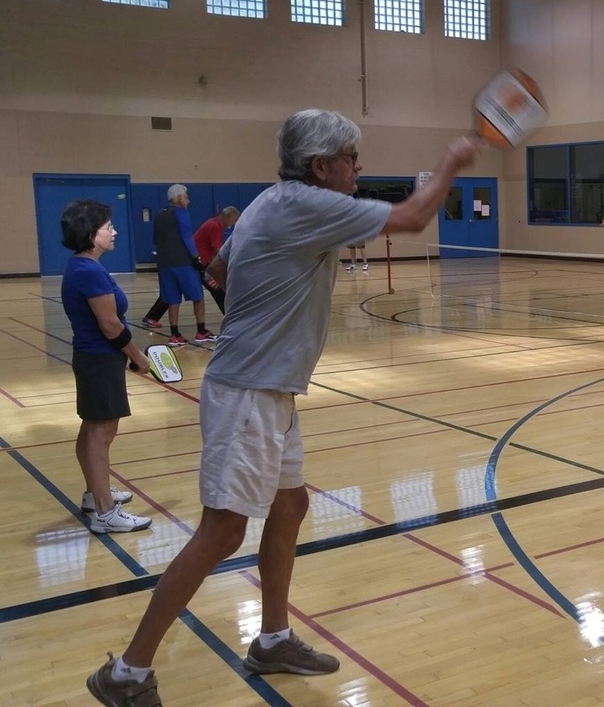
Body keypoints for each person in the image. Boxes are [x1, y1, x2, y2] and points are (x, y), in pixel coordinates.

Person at [87, 109, 478, 706]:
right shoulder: (307, 204)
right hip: (248, 391)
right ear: (321, 167)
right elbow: (416, 216)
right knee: (222, 531)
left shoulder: (270, 202)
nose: (359, 166)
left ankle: (272, 639)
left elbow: (218, 269)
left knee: (291, 505)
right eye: (351, 157)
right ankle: (128, 673)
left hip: (270, 388)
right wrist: (450, 162)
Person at [59, 199, 154, 534]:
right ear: (90, 233)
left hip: (94, 359)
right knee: (101, 433)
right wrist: (137, 356)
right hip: (99, 360)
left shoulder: (83, 266)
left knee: (91, 430)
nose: (113, 231)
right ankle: (104, 512)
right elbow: (111, 325)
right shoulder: (88, 270)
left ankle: (93, 494)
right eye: (107, 227)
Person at [142, 206, 239, 324]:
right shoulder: (215, 226)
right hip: (196, 263)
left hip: (197, 262)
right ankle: (232, 317)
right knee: (216, 288)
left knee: (175, 290)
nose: (233, 224)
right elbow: (219, 251)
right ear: (227, 217)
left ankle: (151, 317)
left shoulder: (213, 223)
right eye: (233, 221)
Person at [152, 185, 216, 346]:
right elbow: (187, 236)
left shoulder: (159, 215)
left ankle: (174, 334)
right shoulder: (181, 213)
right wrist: (196, 258)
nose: (188, 200)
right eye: (186, 197)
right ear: (179, 198)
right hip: (183, 263)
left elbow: (155, 239)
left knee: (173, 299)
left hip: (164, 264)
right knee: (198, 297)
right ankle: (201, 331)